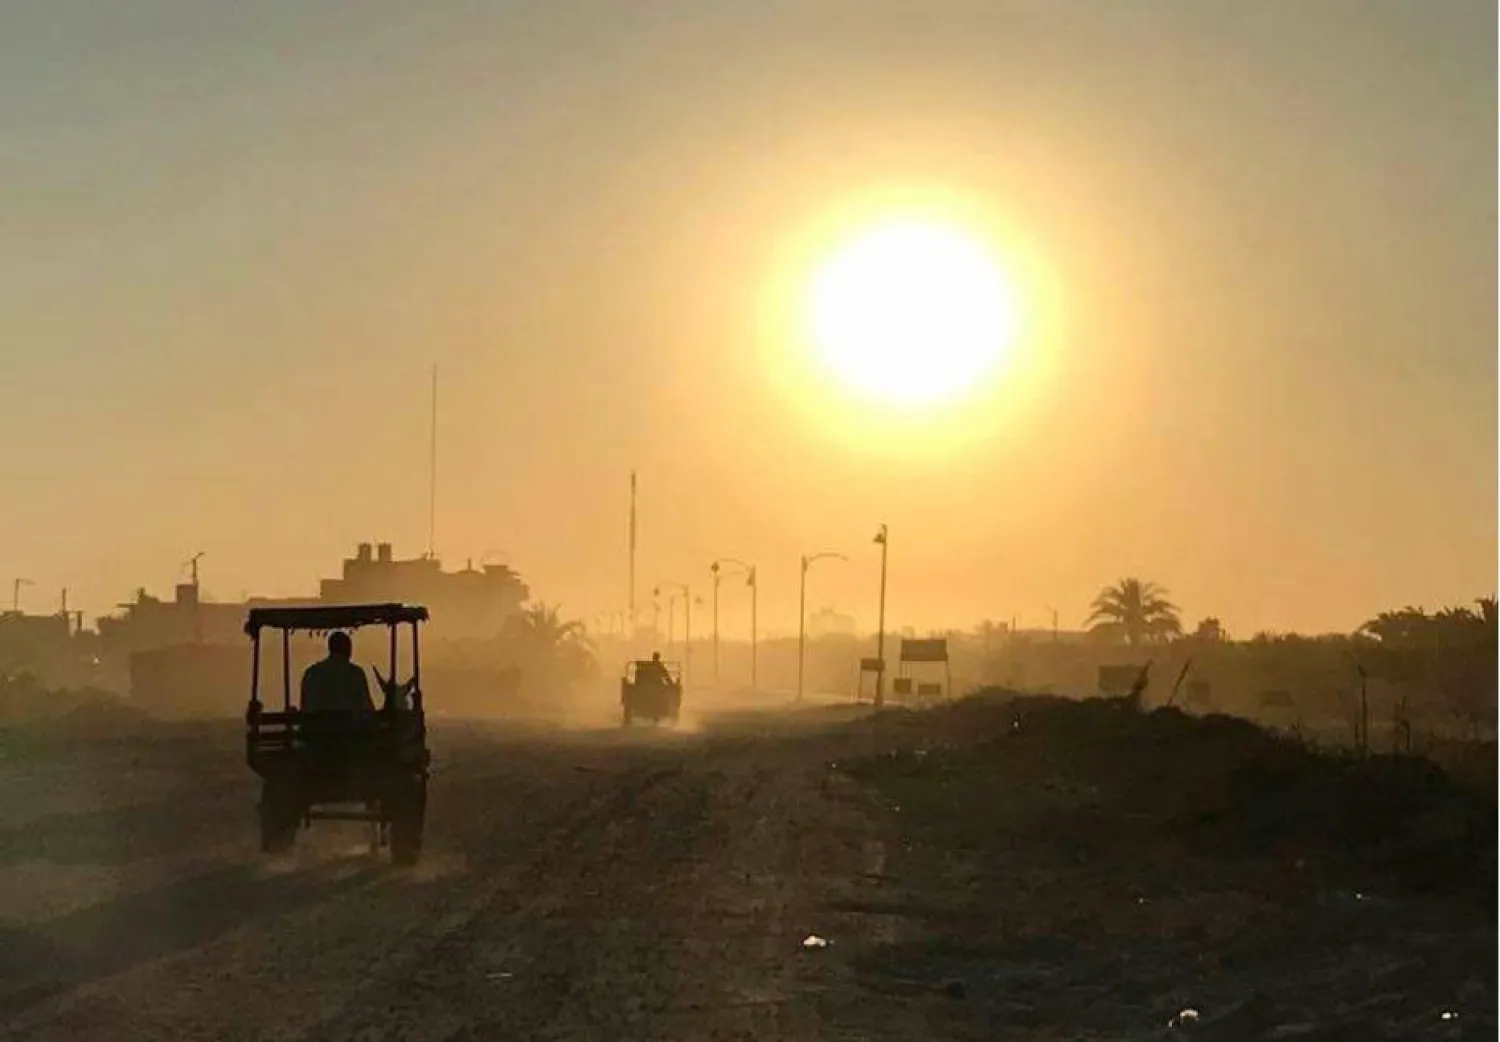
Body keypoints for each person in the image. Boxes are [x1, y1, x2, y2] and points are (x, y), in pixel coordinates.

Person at [300, 631, 375, 715]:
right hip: (350, 726)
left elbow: (306, 707)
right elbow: (367, 706)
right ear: (348, 649)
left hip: (319, 726)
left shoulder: (312, 672)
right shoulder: (355, 673)